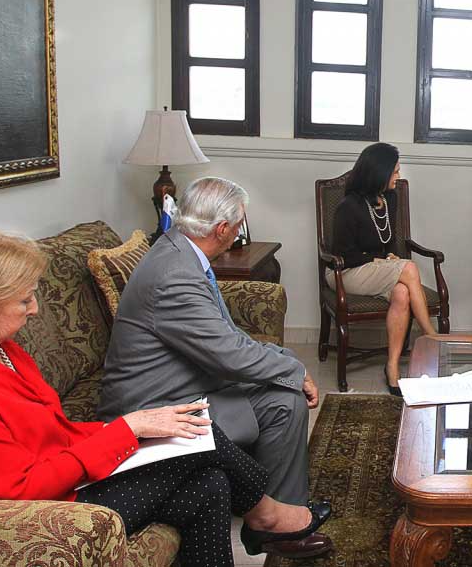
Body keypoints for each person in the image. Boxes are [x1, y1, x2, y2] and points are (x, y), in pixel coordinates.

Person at [0, 230, 332, 565]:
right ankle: (267, 516)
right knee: (201, 438)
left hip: (72, 479)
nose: (35, 309)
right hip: (60, 509)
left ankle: (266, 516)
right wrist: (128, 429)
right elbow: (23, 490)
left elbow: (59, 432)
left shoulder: (7, 351)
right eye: (24, 299)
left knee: (209, 480)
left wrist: (129, 429)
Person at [99, 177, 319, 507]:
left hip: (182, 383)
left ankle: (278, 507)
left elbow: (224, 336)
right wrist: (294, 369)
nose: (240, 231)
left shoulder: (179, 248)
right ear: (222, 229)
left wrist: (283, 358)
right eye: (239, 224)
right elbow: (230, 355)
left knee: (283, 387)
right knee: (285, 402)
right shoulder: (176, 275)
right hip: (157, 405)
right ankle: (279, 517)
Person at [327, 143, 438, 397]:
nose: (398, 176)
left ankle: (392, 367)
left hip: (374, 270)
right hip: (346, 273)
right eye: (395, 171)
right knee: (409, 267)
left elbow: (388, 240)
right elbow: (343, 256)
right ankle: (431, 337)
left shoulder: (390, 198)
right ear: (379, 172)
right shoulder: (348, 206)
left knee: (402, 293)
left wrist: (387, 257)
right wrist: (379, 259)